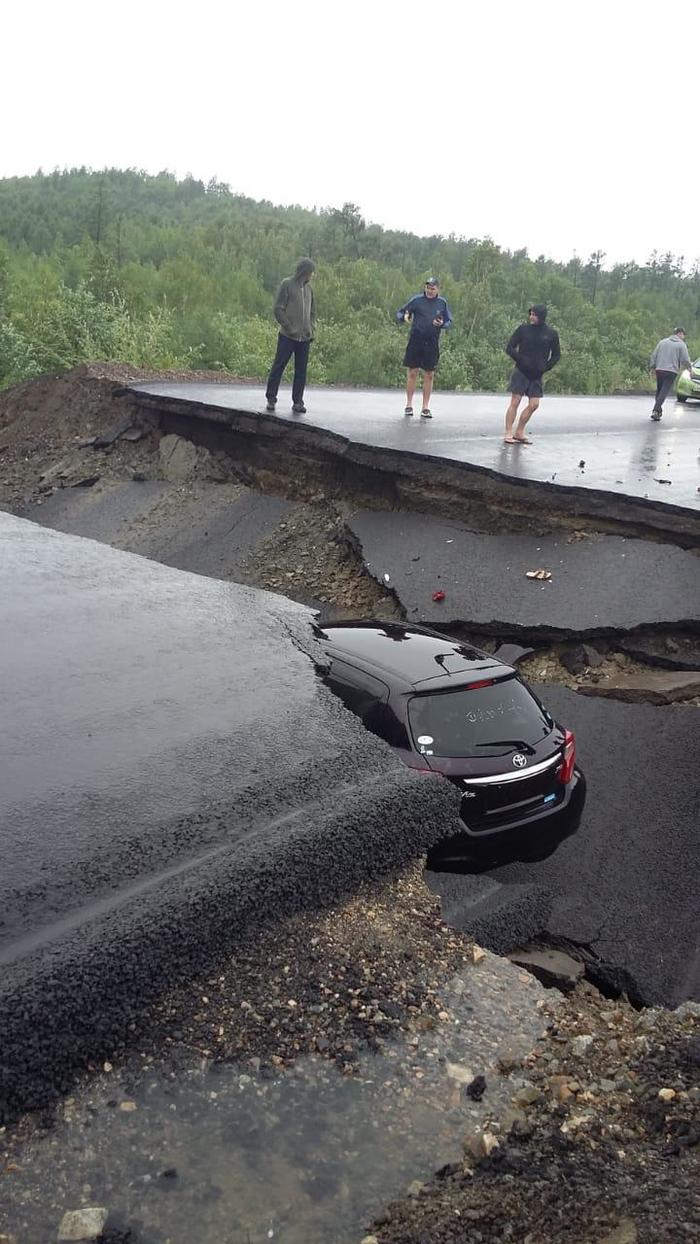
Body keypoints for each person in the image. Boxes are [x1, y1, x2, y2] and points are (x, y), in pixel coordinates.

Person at [265, 258, 316, 414]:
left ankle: (298, 402)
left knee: (301, 371)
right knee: (279, 366)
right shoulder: (287, 284)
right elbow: (278, 309)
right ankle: (271, 398)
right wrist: (288, 326)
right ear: (304, 271)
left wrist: (311, 329)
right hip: (288, 336)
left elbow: (312, 312)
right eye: (311, 272)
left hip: (304, 338)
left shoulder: (309, 290)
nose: (312, 275)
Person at [396, 278, 453, 418]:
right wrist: (404, 317)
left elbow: (448, 320)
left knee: (429, 374)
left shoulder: (442, 303)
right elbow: (401, 312)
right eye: (427, 288)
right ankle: (409, 405)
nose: (429, 291)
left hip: (432, 341)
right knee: (413, 372)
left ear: (438, 289)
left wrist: (442, 324)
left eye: (432, 288)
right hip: (416, 340)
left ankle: (425, 407)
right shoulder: (416, 300)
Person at [503, 304, 561, 443]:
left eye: (534, 315)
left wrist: (546, 367)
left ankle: (519, 431)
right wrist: (521, 359)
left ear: (541, 316)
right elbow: (510, 347)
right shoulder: (523, 329)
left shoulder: (551, 334)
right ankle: (508, 432)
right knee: (515, 401)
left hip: (537, 374)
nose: (531, 317)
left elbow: (556, 355)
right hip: (521, 371)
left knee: (534, 404)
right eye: (531, 314)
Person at [649, 327, 691, 420]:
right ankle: (656, 410)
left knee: (659, 390)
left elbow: (654, 355)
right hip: (671, 371)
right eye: (683, 335)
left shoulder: (662, 342)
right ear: (680, 334)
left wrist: (652, 367)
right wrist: (690, 369)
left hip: (659, 369)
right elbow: (685, 359)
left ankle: (658, 412)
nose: (683, 337)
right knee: (664, 391)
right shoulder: (681, 344)